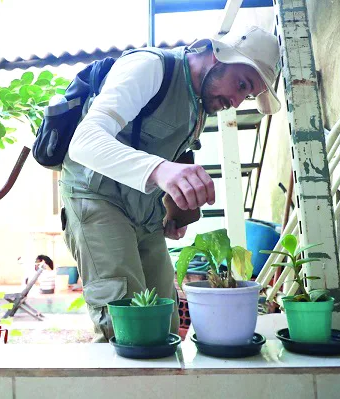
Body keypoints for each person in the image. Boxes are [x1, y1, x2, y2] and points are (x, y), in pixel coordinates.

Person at [59, 26, 281, 342]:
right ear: (216, 54)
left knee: (165, 317)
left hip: (144, 212)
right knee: (125, 321)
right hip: (95, 196)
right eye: (241, 83)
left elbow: (165, 153)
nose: (235, 100)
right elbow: (84, 142)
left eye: (246, 94)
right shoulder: (151, 66)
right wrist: (162, 170)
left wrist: (173, 210)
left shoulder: (201, 106)